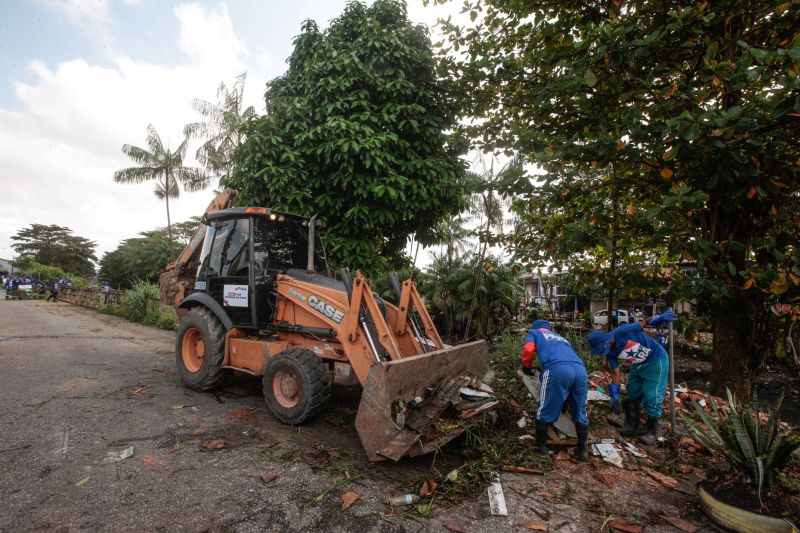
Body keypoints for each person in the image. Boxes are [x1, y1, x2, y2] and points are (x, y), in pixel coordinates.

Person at [587, 309, 677, 444]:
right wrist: (615, 396)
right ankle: (631, 426)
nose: (603, 350)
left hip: (655, 361)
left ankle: (652, 431)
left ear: (607, 339)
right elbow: (615, 372)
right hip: (638, 364)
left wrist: (658, 318)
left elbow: (643, 322)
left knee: (652, 395)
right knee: (632, 392)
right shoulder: (610, 352)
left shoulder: (623, 331)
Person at [521, 319, 590, 461]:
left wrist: (526, 366)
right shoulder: (561, 338)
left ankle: (541, 447)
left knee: (545, 408)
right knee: (579, 409)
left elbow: (528, 349)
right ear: (549, 328)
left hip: (557, 369)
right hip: (580, 371)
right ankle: (582, 451)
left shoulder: (535, 333)